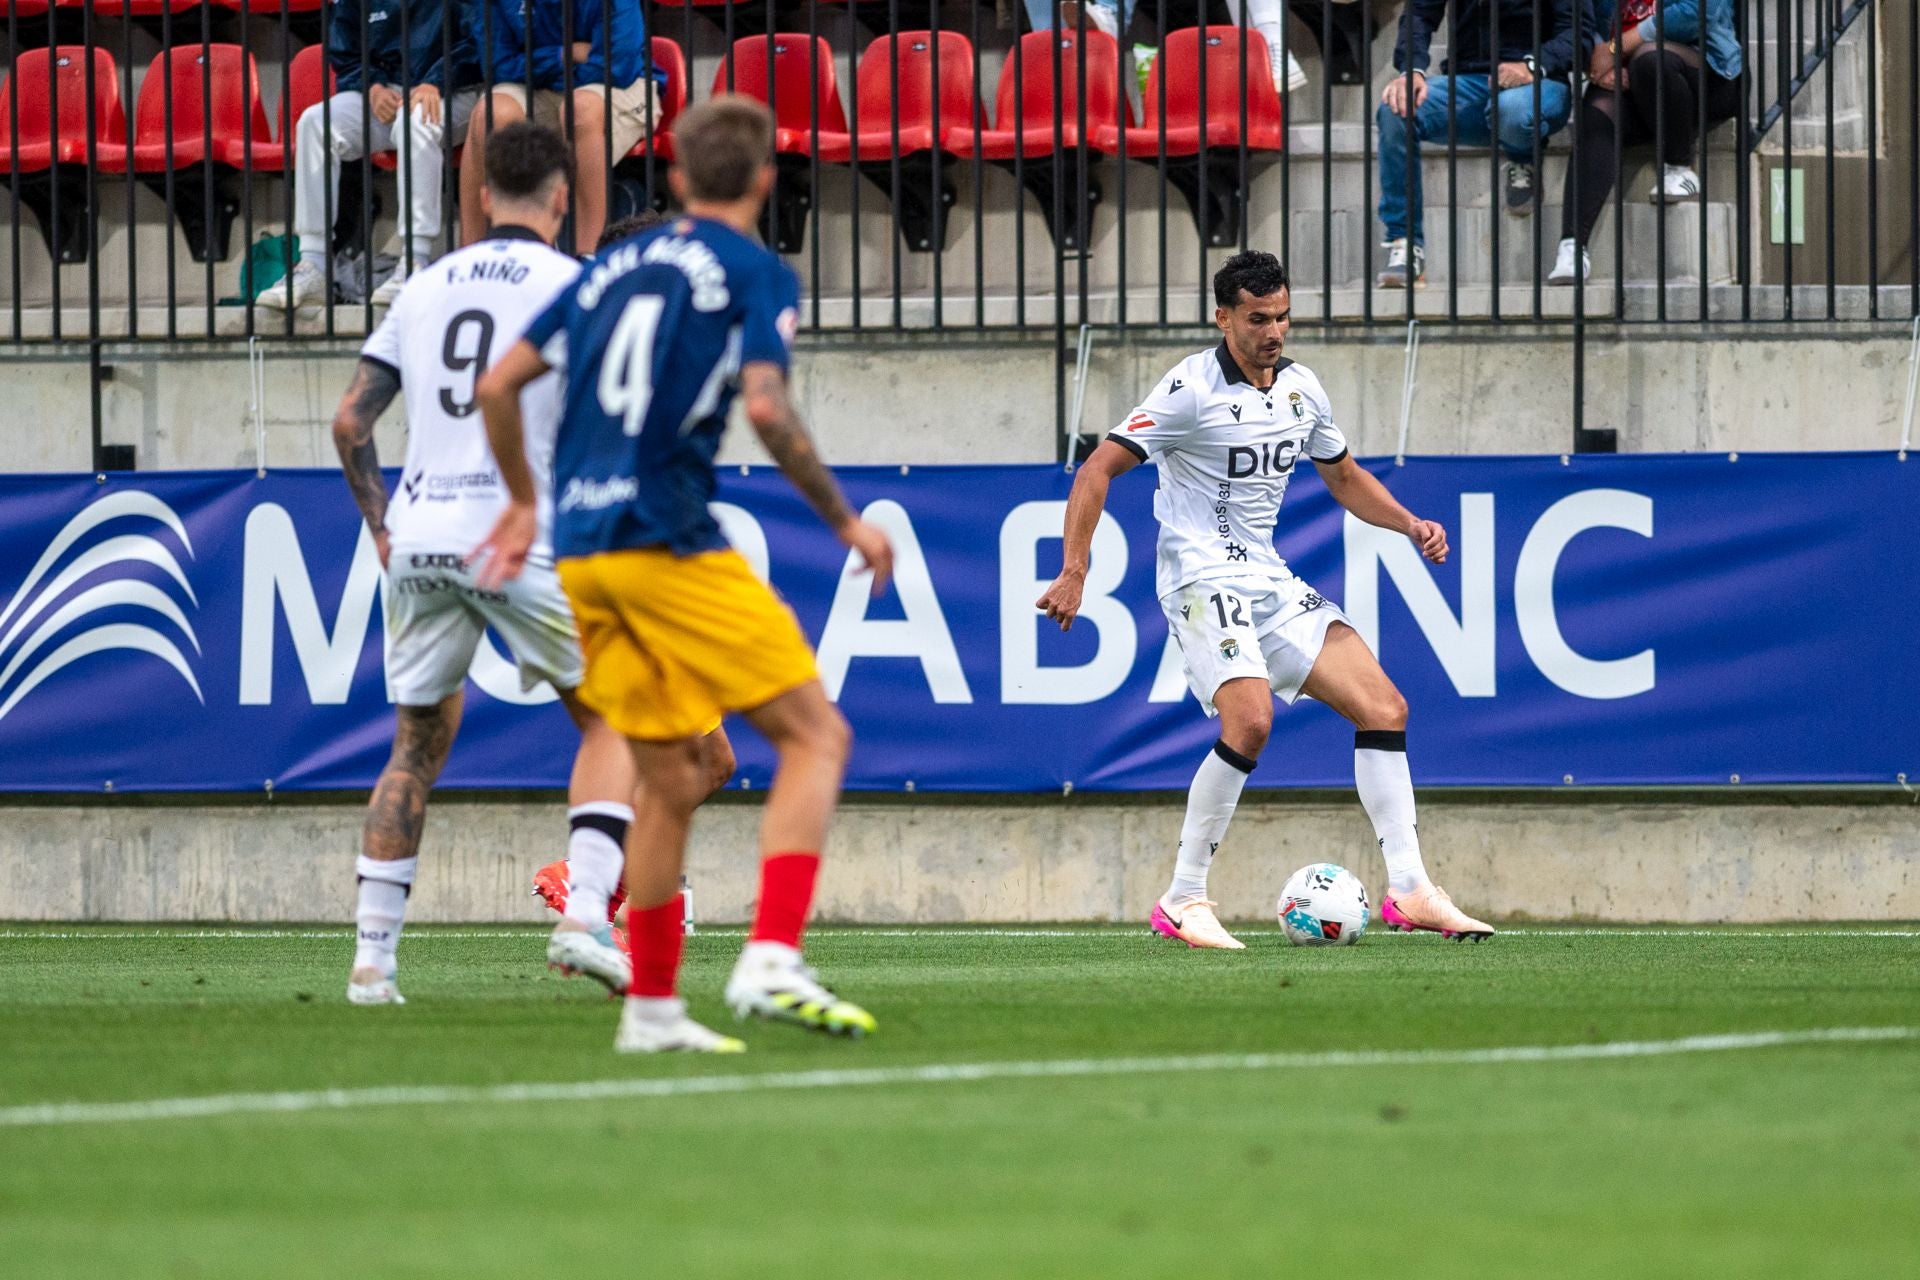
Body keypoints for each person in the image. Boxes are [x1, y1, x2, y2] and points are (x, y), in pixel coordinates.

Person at [473, 97, 896, 1054]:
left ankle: (654, 1009)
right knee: (816, 736)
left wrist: (523, 501)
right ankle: (772, 956)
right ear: (762, 181)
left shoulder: (608, 265)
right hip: (667, 539)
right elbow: (768, 407)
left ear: (670, 180)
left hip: (581, 553)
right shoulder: (752, 270)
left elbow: (499, 384)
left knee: (666, 777)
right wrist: (844, 523)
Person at [1036, 250, 1494, 948]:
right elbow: (1098, 468)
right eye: (1258, 319)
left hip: (1267, 578)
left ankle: (1411, 891)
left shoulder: (1303, 389)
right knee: (1249, 723)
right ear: (1223, 318)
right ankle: (1183, 898)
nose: (1274, 331)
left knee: (1384, 706)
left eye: (1282, 316)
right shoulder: (1188, 390)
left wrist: (1408, 524)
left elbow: (1342, 478)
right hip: (1199, 576)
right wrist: (1074, 570)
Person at [332, 122, 671, 1005]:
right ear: (564, 198)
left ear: (481, 196)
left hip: (417, 533)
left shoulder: (425, 285)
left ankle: (372, 965)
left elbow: (350, 422)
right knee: (618, 713)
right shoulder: (577, 286)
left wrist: (379, 524)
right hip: (520, 527)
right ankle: (587, 912)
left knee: (413, 745)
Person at [260, 0, 481, 311]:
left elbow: (477, 41)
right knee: (315, 123)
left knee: (414, 123)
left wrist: (437, 82)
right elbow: (346, 49)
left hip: (455, 90)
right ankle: (314, 264)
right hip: (385, 92)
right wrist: (372, 87)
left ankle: (414, 261)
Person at [1375, 0, 1582, 288]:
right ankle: (1405, 243)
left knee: (1511, 110)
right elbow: (1420, 13)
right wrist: (1411, 70)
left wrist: (1532, 65)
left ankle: (1522, 157)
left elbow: (1577, 33)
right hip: (1471, 83)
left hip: (1539, 83)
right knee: (1394, 110)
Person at [1549, 0, 1743, 285]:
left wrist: (1618, 48)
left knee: (1651, 59)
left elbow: (1699, 12)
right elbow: (1587, 19)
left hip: (1705, 74)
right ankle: (1572, 246)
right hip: (1633, 77)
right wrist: (1602, 59)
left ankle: (1679, 166)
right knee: (1597, 111)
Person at [459, 0, 663, 255]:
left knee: (579, 110)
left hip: (623, 84)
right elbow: (497, 66)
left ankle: (586, 260)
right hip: (543, 84)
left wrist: (537, 65)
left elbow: (616, 66)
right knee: (489, 112)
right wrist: (565, 55)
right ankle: (474, 259)